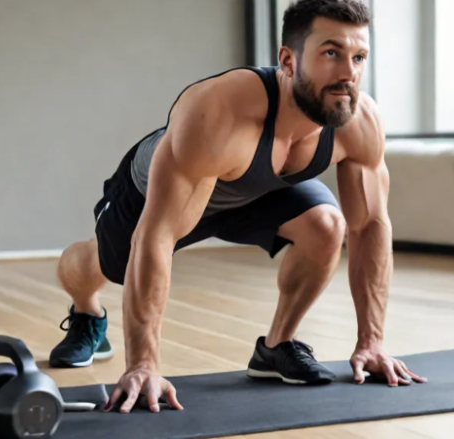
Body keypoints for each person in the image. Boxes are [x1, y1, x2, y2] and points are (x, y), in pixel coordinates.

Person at [49, 0, 426, 414]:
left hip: (258, 191)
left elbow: (369, 225)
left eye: (358, 57)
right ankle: (86, 310)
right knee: (97, 266)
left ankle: (276, 346)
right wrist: (143, 365)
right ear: (288, 59)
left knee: (327, 224)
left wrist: (371, 342)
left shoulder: (359, 122)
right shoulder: (217, 112)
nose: (348, 73)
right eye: (331, 53)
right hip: (157, 193)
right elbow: (155, 234)